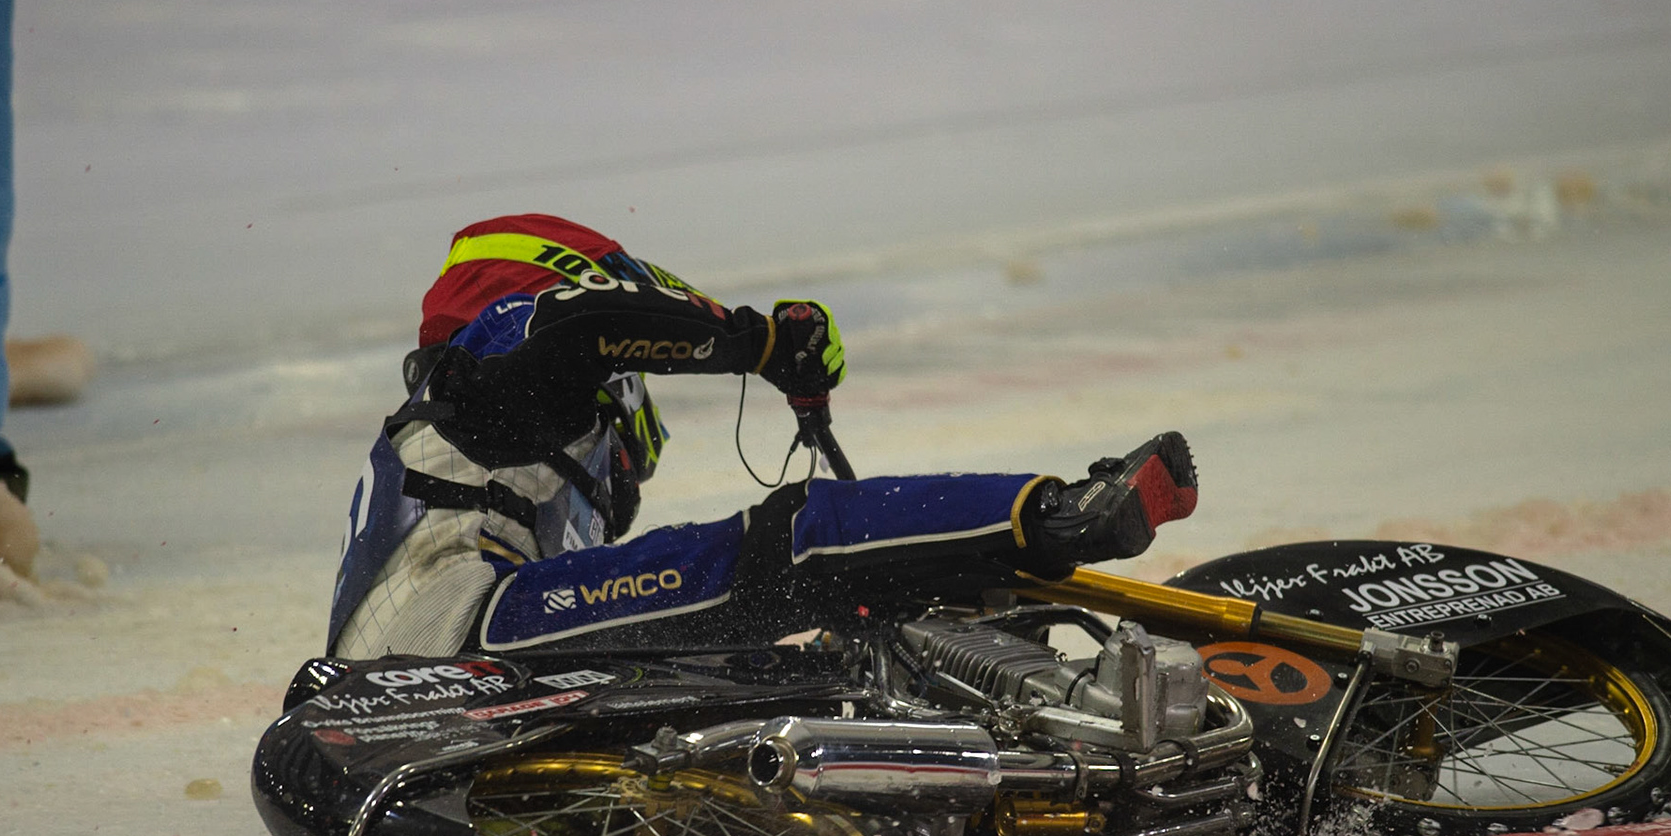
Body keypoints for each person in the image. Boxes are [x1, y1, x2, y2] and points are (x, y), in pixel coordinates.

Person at [329, 214, 1197, 658]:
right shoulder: (483, 372)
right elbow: (582, 322)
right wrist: (762, 342)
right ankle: (1055, 514)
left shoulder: (472, 429)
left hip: (442, 679)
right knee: (794, 538)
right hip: (456, 647)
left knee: (752, 635)